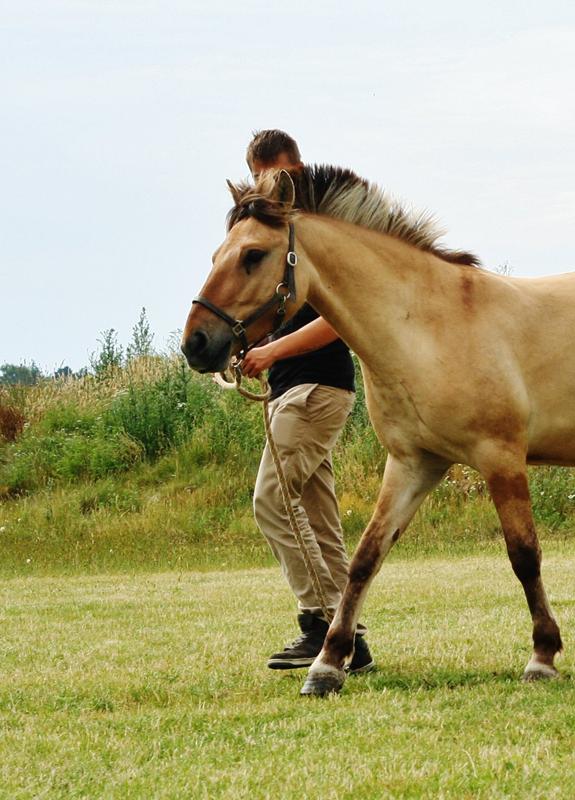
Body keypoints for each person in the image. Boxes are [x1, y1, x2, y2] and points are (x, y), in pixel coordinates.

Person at [239, 129, 373, 673]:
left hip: (316, 387)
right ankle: (351, 640)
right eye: (255, 180)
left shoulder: (319, 234)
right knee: (317, 517)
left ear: (293, 166)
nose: (264, 188)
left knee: (272, 501)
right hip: (296, 389)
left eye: (270, 176)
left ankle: (319, 623)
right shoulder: (285, 238)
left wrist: (270, 356)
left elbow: (338, 322)